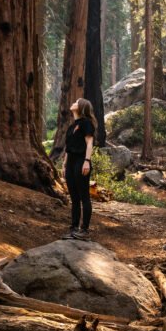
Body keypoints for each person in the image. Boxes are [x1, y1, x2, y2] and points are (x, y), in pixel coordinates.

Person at [61, 98, 97, 240]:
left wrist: (87, 161)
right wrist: (64, 165)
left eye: (76, 102)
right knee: (74, 198)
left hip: (82, 161)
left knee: (84, 196)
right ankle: (74, 228)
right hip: (71, 163)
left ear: (81, 107)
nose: (73, 103)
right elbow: (68, 149)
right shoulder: (72, 126)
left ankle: (84, 230)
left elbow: (89, 143)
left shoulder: (86, 123)